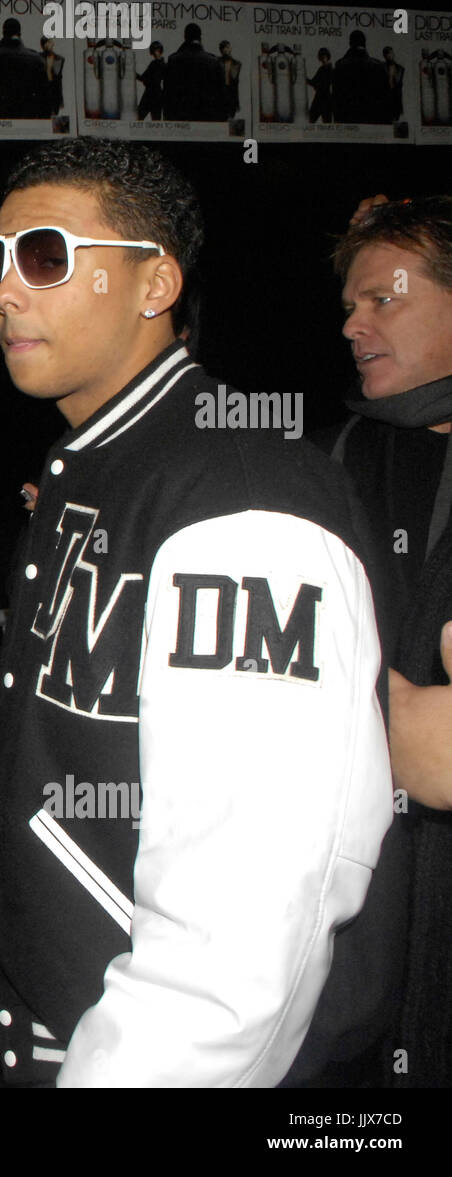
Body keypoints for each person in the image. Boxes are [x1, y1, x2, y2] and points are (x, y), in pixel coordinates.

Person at [0, 137, 392, 1086]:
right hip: (51, 1024)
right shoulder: (89, 470)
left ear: (155, 282)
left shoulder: (243, 487)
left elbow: (244, 927)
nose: (4, 289)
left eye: (44, 255)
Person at [329, 195, 452, 1084]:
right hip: (355, 931)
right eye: (348, 305)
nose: (353, 324)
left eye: (384, 299)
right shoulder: (325, 464)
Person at [0, 18, 48, 119]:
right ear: (20, 33)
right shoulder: (36, 59)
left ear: (3, 33)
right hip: (28, 121)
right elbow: (44, 98)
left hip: (1, 120)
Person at [164, 23, 225, 121]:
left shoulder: (173, 60)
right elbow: (222, 97)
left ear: (185, 37)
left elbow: (168, 95)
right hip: (208, 120)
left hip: (181, 120)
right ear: (200, 37)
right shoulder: (214, 61)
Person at [333, 31, 391, 124]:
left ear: (350, 43)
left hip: (349, 122)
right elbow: (387, 100)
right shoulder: (379, 66)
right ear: (364, 43)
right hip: (374, 122)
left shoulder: (340, 65)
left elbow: (336, 99)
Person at [136, 41, 165, 121]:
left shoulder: (161, 65)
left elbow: (145, 78)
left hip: (152, 95)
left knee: (154, 121)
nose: (156, 53)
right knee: (140, 118)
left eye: (157, 50)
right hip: (153, 95)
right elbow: (143, 78)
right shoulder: (155, 64)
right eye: (154, 50)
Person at [40, 36, 66, 116]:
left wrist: (61, 101)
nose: (48, 45)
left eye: (49, 42)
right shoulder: (38, 58)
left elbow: (58, 80)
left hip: (54, 95)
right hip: (42, 95)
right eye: (45, 43)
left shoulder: (59, 59)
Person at [307, 48, 333, 125]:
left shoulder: (328, 69)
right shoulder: (324, 68)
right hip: (324, 99)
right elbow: (314, 82)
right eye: (321, 56)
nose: (322, 59)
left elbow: (316, 83)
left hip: (322, 99)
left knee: (325, 123)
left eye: (324, 56)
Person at [218, 40, 242, 119]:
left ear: (230, 48)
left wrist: (237, 102)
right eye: (223, 48)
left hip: (231, 95)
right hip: (220, 95)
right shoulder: (216, 62)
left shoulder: (237, 63)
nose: (226, 50)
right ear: (221, 50)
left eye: (227, 47)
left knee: (231, 121)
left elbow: (236, 84)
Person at [382, 46, 406, 122]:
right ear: (385, 56)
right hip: (385, 100)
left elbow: (400, 86)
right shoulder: (381, 67)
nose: (390, 55)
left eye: (391, 53)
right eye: (388, 54)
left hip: (396, 101)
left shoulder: (400, 69)